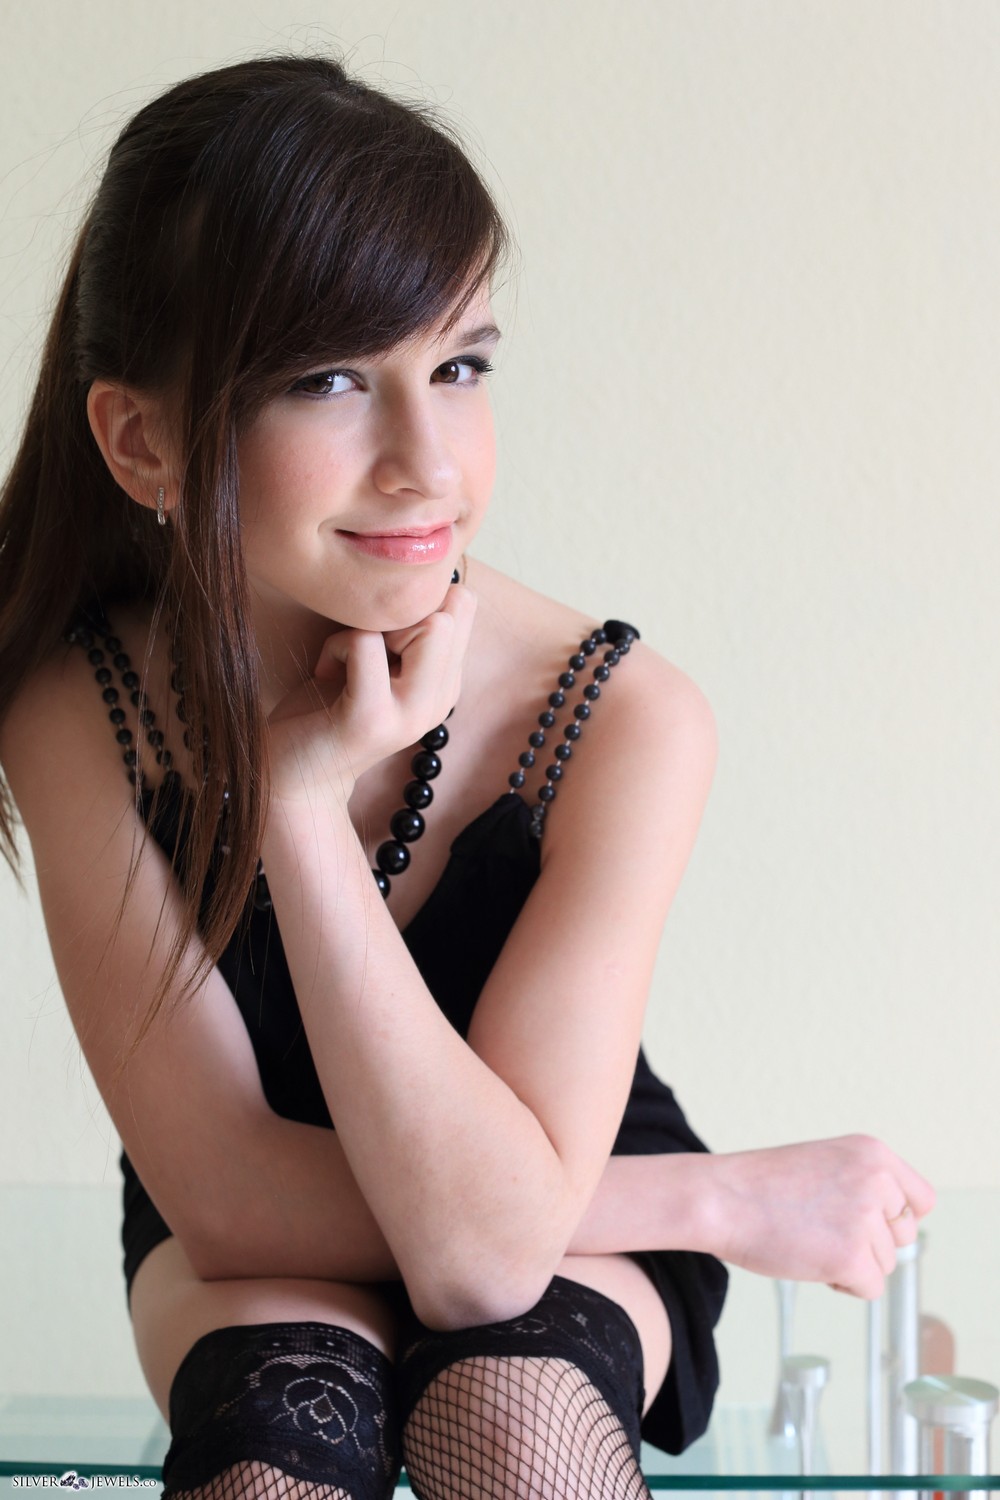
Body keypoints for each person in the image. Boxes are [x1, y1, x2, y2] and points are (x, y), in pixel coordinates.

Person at [0, 54, 934, 1500]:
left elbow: (489, 1260)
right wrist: (719, 1197)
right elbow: (231, 1199)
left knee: (517, 1427)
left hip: (551, 1196)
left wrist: (301, 818)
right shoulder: (80, 711)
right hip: (266, 1223)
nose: (426, 464)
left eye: (459, 367)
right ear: (143, 441)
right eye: (327, 381)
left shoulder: (621, 718)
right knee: (273, 1466)